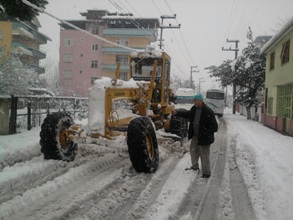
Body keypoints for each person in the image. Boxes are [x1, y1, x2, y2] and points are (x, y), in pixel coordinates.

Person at [171, 93, 218, 178]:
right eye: (194, 100)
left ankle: (206, 173)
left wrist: (206, 133)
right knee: (193, 150)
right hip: (196, 136)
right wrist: (177, 113)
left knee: (204, 154)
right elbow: (187, 114)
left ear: (200, 101)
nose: (194, 102)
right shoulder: (194, 109)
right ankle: (194, 166)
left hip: (204, 137)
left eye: (195, 100)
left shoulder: (208, 111)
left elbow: (215, 127)